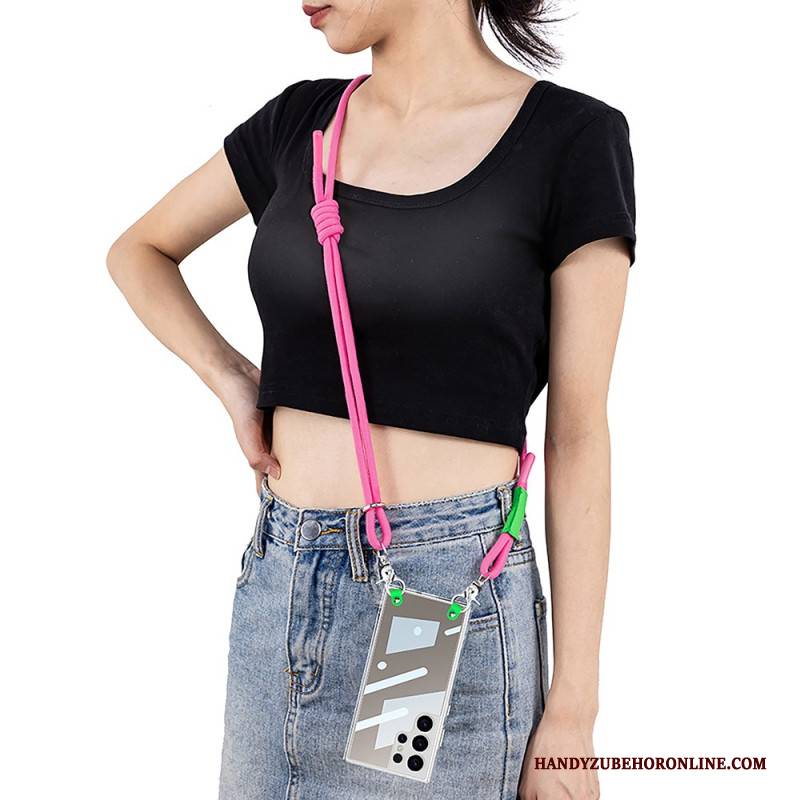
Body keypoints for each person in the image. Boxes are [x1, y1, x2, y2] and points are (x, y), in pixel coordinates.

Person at [107, 2, 635, 798]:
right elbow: (138, 251)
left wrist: (574, 713)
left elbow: (578, 436)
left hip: (431, 598)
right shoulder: (301, 123)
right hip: (281, 579)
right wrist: (232, 379)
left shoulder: (571, 139)